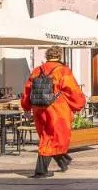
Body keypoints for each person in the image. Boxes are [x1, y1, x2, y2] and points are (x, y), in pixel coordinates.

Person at [21, 46, 85, 178]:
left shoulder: (36, 70)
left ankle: (64, 161)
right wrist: (79, 104)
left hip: (38, 107)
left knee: (47, 135)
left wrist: (26, 106)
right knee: (55, 136)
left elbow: (27, 90)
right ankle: (41, 170)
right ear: (59, 56)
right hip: (57, 108)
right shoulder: (63, 71)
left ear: (47, 56)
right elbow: (72, 90)